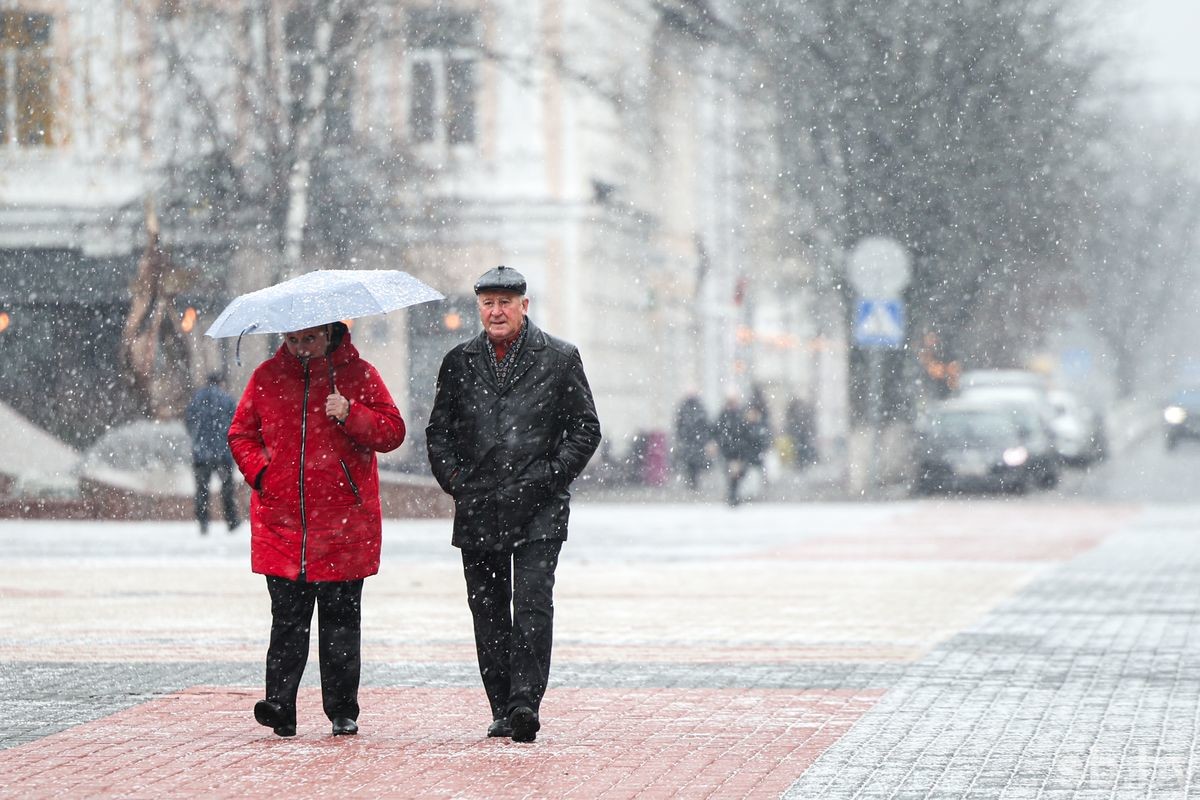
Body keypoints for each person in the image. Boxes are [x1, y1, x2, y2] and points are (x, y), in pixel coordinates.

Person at [426, 265, 601, 743]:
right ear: (478, 308)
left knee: (531, 607)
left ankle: (525, 701)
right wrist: (457, 481)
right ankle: (501, 705)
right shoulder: (459, 362)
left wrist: (550, 476)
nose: (496, 311)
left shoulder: (559, 358)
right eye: (488, 302)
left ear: (525, 305)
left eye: (506, 301)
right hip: (479, 504)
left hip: (538, 508)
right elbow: (438, 432)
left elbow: (586, 428)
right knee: (487, 611)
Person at [227, 321, 405, 738]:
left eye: (310, 339)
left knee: (340, 622)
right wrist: (263, 473)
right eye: (293, 340)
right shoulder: (266, 378)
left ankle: (342, 710)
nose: (302, 348)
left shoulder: (359, 375)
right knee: (287, 620)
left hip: (343, 524)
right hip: (282, 524)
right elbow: (241, 435)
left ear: (329, 333)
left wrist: (351, 414)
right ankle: (279, 706)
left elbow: (393, 432)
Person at [184, 373, 239, 535]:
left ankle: (203, 522)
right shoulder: (227, 400)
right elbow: (237, 424)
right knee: (227, 489)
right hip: (224, 452)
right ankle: (231, 520)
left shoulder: (197, 399)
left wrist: (197, 439)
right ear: (220, 382)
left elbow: (189, 421)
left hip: (201, 453)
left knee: (202, 489)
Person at [715, 395, 750, 506]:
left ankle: (734, 495)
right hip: (728, 451)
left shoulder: (740, 416)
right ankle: (733, 496)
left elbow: (744, 433)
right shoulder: (724, 416)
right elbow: (719, 432)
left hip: (737, 451)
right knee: (731, 475)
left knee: (736, 475)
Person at [674, 391, 712, 491]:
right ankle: (692, 483)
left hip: (694, 441)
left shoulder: (692, 409)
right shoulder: (692, 408)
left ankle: (693, 483)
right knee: (691, 464)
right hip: (692, 441)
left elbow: (704, 425)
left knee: (694, 464)